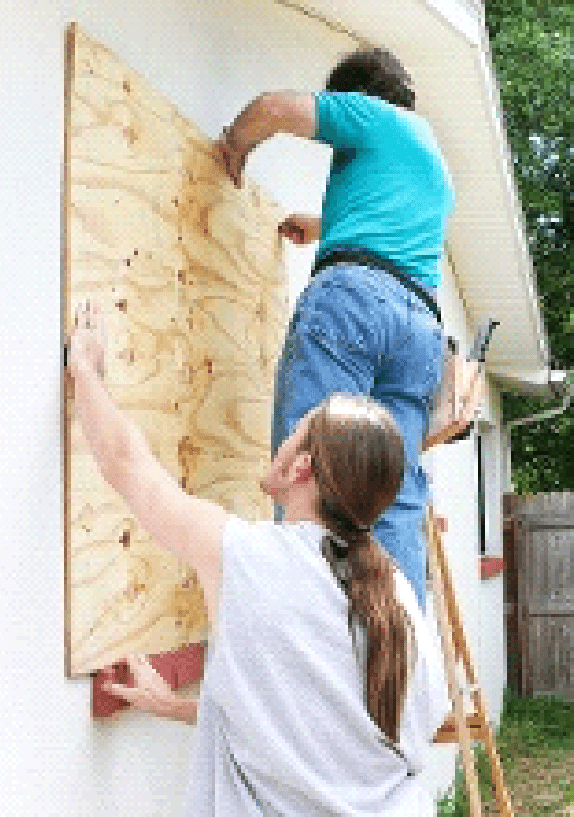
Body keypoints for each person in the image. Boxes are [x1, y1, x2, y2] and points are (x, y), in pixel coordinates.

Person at [67, 300, 449, 814]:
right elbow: (321, 733)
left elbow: (126, 463)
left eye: (295, 430)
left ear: (301, 469)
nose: (284, 437)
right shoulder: (396, 595)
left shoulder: (243, 557)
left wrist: (84, 371)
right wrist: (178, 708)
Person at [216, 48, 455, 607]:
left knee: (311, 467)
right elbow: (391, 233)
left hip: (355, 305)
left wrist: (235, 145)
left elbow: (273, 109)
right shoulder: (434, 165)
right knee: (390, 488)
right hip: (420, 329)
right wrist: (326, 227)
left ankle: (306, 634)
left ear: (358, 96)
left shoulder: (375, 116)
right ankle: (390, 660)